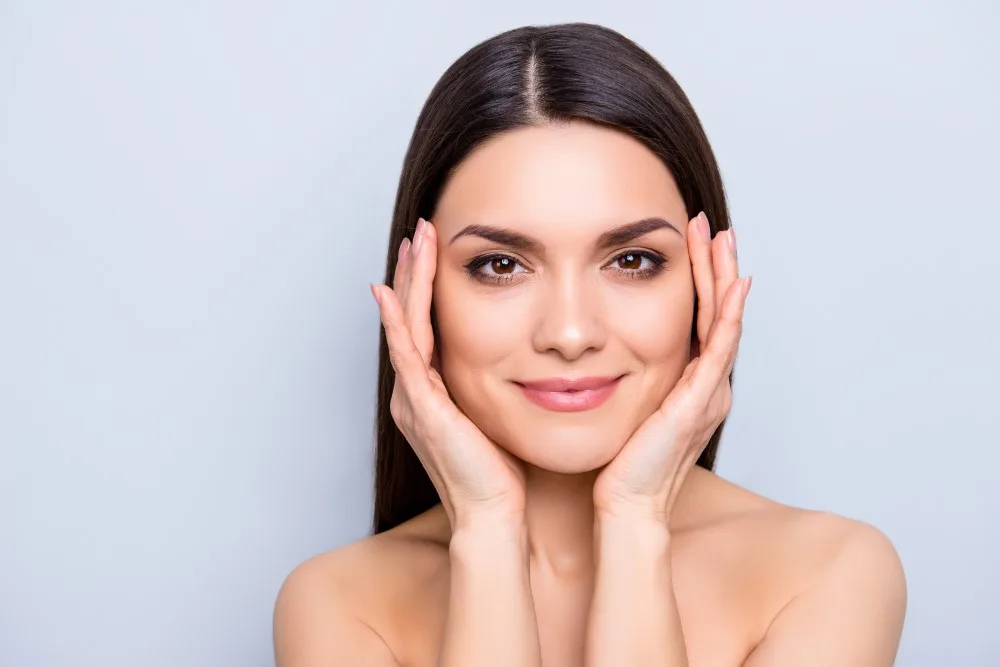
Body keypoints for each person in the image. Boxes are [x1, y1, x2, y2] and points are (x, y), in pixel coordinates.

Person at [273, 22, 907, 667]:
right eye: (500, 265)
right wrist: (487, 531)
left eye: (632, 260)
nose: (570, 335)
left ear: (706, 284)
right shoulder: (340, 602)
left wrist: (635, 520)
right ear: (421, 294)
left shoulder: (827, 573)